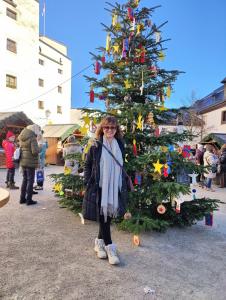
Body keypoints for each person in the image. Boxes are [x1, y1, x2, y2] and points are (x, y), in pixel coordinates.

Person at [82, 116, 128, 265]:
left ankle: (99, 243)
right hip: (99, 185)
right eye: (106, 127)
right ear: (102, 129)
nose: (109, 130)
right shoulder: (95, 144)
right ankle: (110, 247)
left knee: (107, 214)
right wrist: (87, 183)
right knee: (104, 216)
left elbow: (121, 165)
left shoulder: (120, 144)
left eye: (113, 128)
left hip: (114, 186)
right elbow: (87, 165)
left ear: (117, 129)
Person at [18, 124, 40, 205]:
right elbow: (35, 151)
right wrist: (40, 147)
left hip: (23, 161)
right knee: (30, 181)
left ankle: (22, 199)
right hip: (30, 162)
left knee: (24, 180)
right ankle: (29, 200)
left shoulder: (22, 136)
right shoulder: (32, 137)